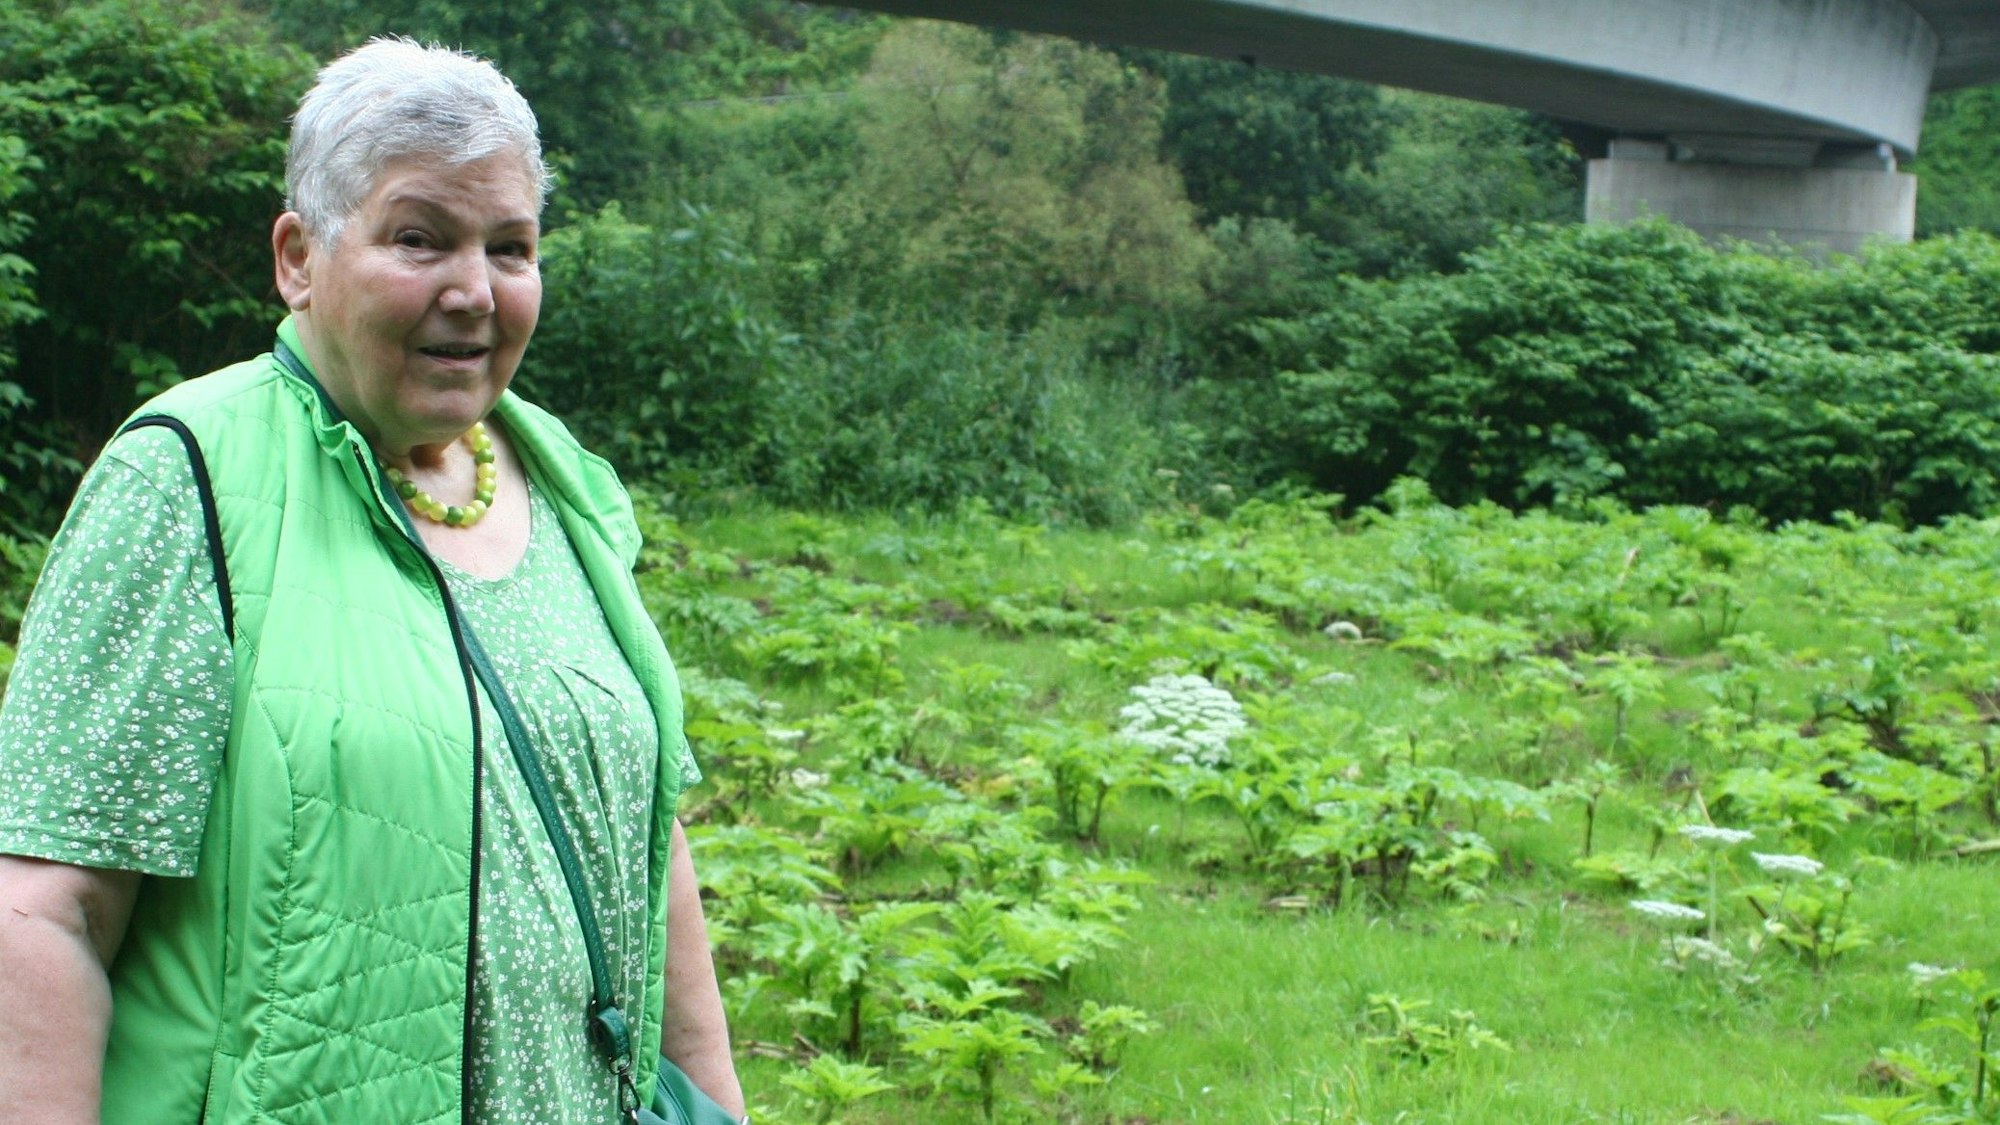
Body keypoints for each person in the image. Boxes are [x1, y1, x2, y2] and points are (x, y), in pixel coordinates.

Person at [0, 37, 747, 1123]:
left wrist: (715, 1103)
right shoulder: (185, 478)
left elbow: (646, 841)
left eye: (509, 248)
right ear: (299, 257)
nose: (473, 292)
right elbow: (42, 912)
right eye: (418, 238)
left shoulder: (566, 484)